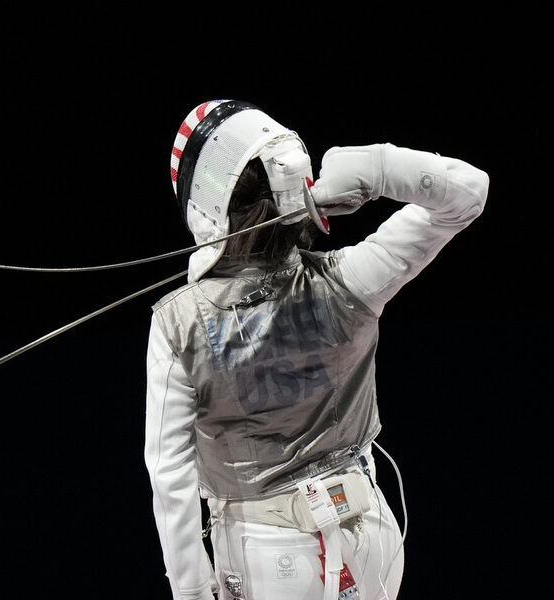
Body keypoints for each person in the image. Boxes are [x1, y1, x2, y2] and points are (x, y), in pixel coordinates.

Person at [145, 100, 488, 600]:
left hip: (266, 561)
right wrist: (378, 169)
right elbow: (468, 193)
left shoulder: (179, 323)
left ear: (203, 203)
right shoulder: (351, 280)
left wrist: (192, 592)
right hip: (371, 544)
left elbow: (169, 473)